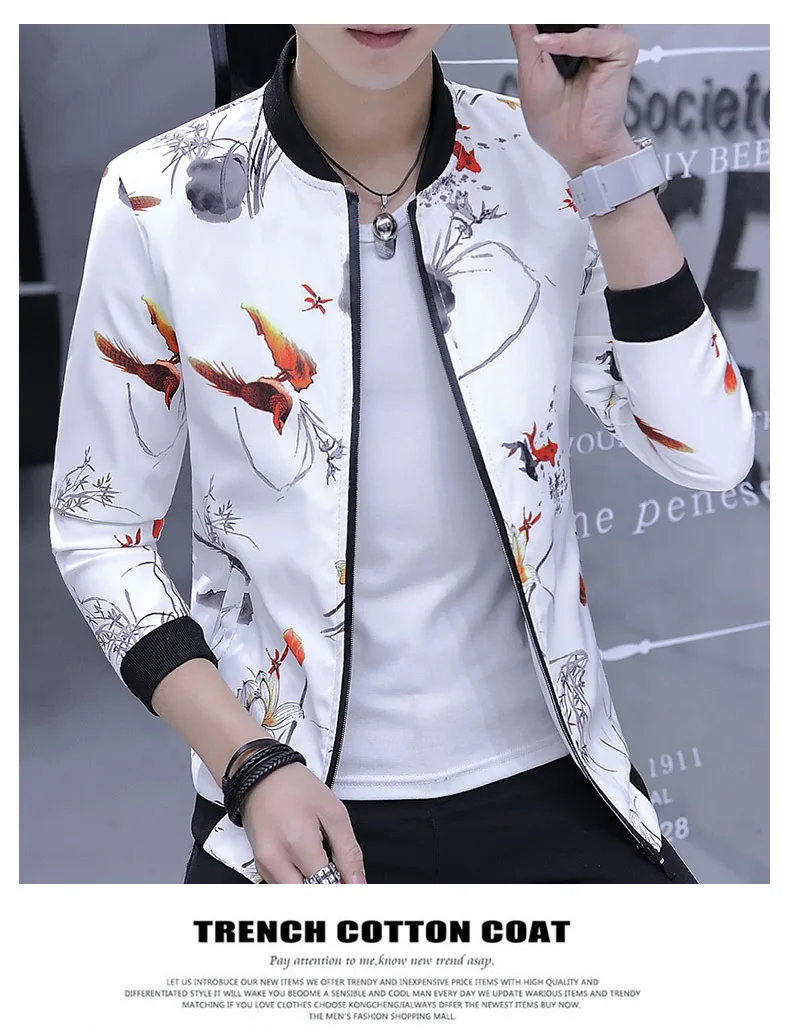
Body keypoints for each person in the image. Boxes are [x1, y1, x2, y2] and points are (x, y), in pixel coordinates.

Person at [50, 24, 754, 885]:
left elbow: (713, 453)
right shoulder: (156, 196)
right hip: (291, 804)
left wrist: (603, 162)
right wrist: (248, 763)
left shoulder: (546, 164)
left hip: (559, 779)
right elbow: (99, 529)